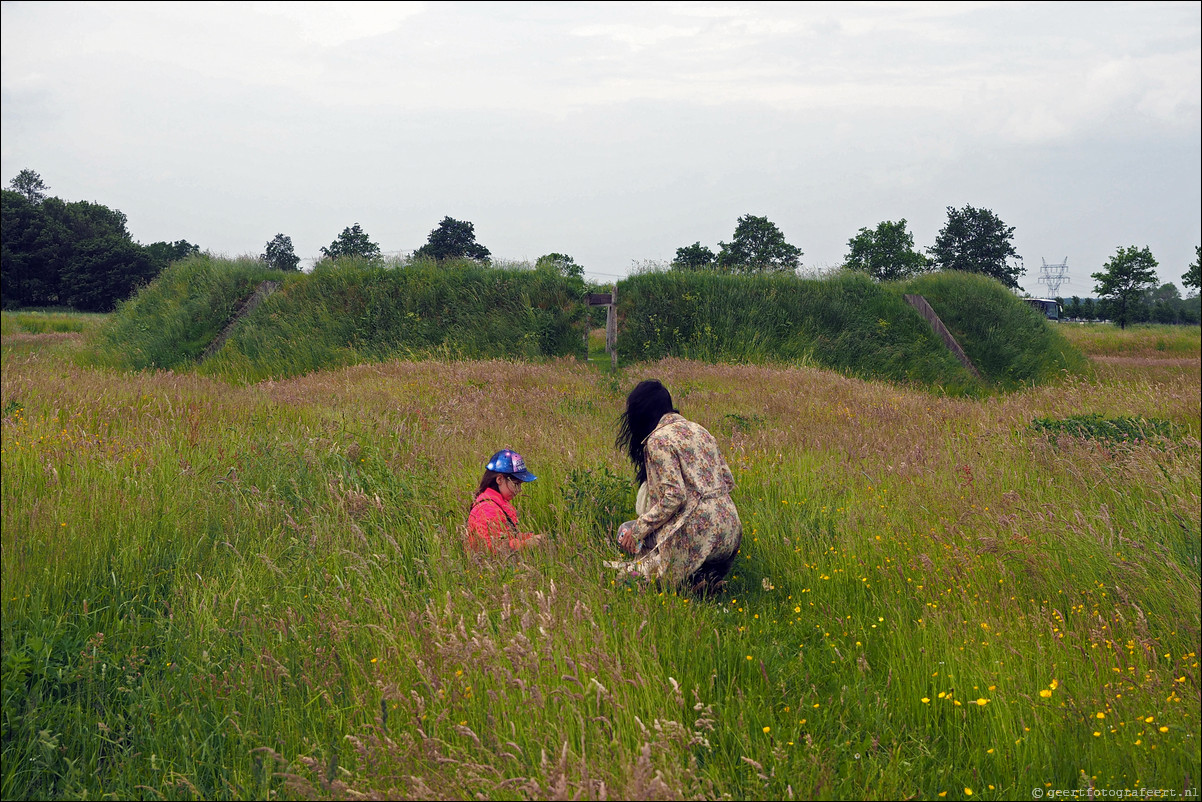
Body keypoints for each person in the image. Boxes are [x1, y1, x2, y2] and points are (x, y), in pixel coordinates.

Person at [614, 380, 742, 593]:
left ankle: (683, 582)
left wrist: (638, 529)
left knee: (626, 577)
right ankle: (703, 579)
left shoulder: (657, 440)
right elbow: (727, 480)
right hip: (730, 532)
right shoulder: (700, 430)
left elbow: (674, 496)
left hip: (693, 533)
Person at [466, 449, 545, 553]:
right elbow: (493, 548)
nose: (519, 489)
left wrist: (532, 538)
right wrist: (526, 544)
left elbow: (508, 536)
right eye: (516, 484)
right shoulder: (487, 508)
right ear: (499, 479)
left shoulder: (498, 503)